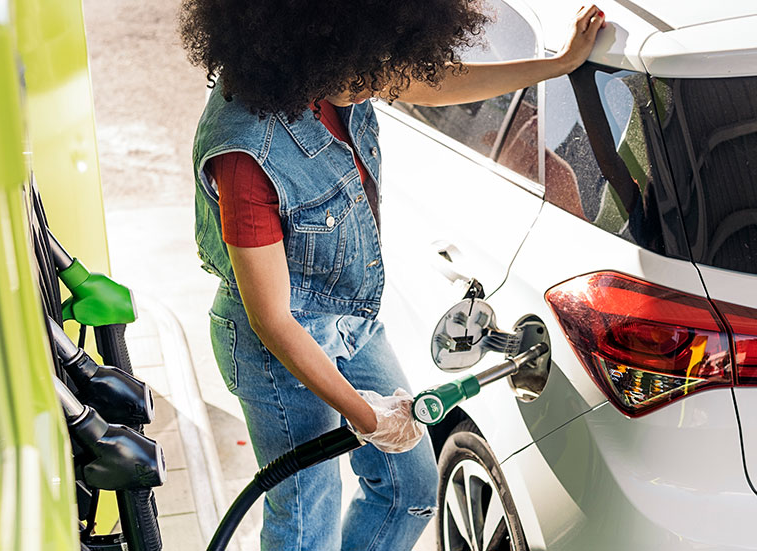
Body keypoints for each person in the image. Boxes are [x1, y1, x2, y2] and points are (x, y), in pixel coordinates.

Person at [179, 2, 605, 549]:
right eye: (363, 72)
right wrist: (368, 417)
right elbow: (273, 320)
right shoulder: (246, 149)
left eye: (381, 63)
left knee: (411, 489)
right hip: (276, 348)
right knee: (308, 515)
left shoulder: (348, 61)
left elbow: (430, 82)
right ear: (308, 43)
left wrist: (557, 64)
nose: (373, 86)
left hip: (350, 318)